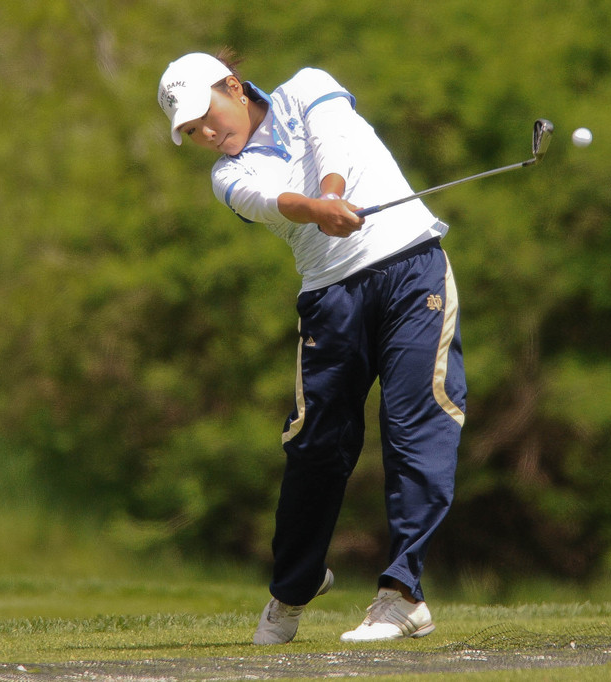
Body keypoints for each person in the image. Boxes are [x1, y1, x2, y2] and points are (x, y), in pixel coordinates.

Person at [157, 51, 466, 644]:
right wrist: (319, 209)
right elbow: (274, 203)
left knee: (415, 425)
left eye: (207, 116)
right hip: (331, 299)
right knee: (316, 445)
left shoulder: (308, 87)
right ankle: (292, 589)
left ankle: (402, 595)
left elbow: (333, 146)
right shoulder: (227, 175)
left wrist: (333, 193)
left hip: (411, 269)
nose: (207, 134)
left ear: (232, 86)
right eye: (192, 132)